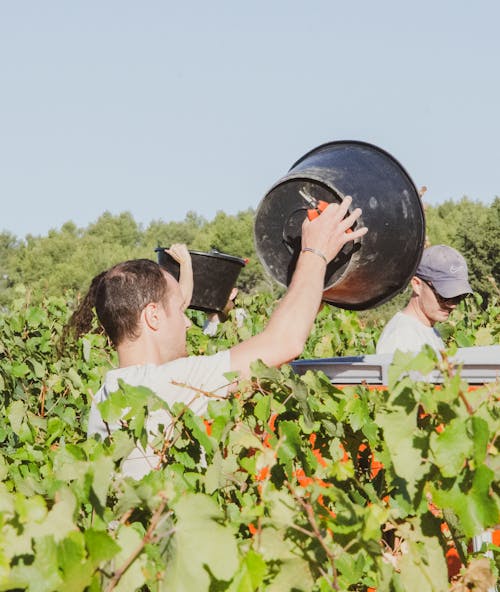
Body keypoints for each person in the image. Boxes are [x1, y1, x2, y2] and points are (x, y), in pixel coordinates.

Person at [70, 197, 366, 478]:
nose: (187, 323)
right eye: (179, 310)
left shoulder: (107, 396)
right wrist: (315, 251)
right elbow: (284, 341)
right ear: (153, 316)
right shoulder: (165, 386)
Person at [376, 245, 472, 356]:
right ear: (417, 285)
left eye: (458, 297)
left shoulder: (430, 331)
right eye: (444, 296)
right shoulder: (400, 338)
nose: (453, 305)